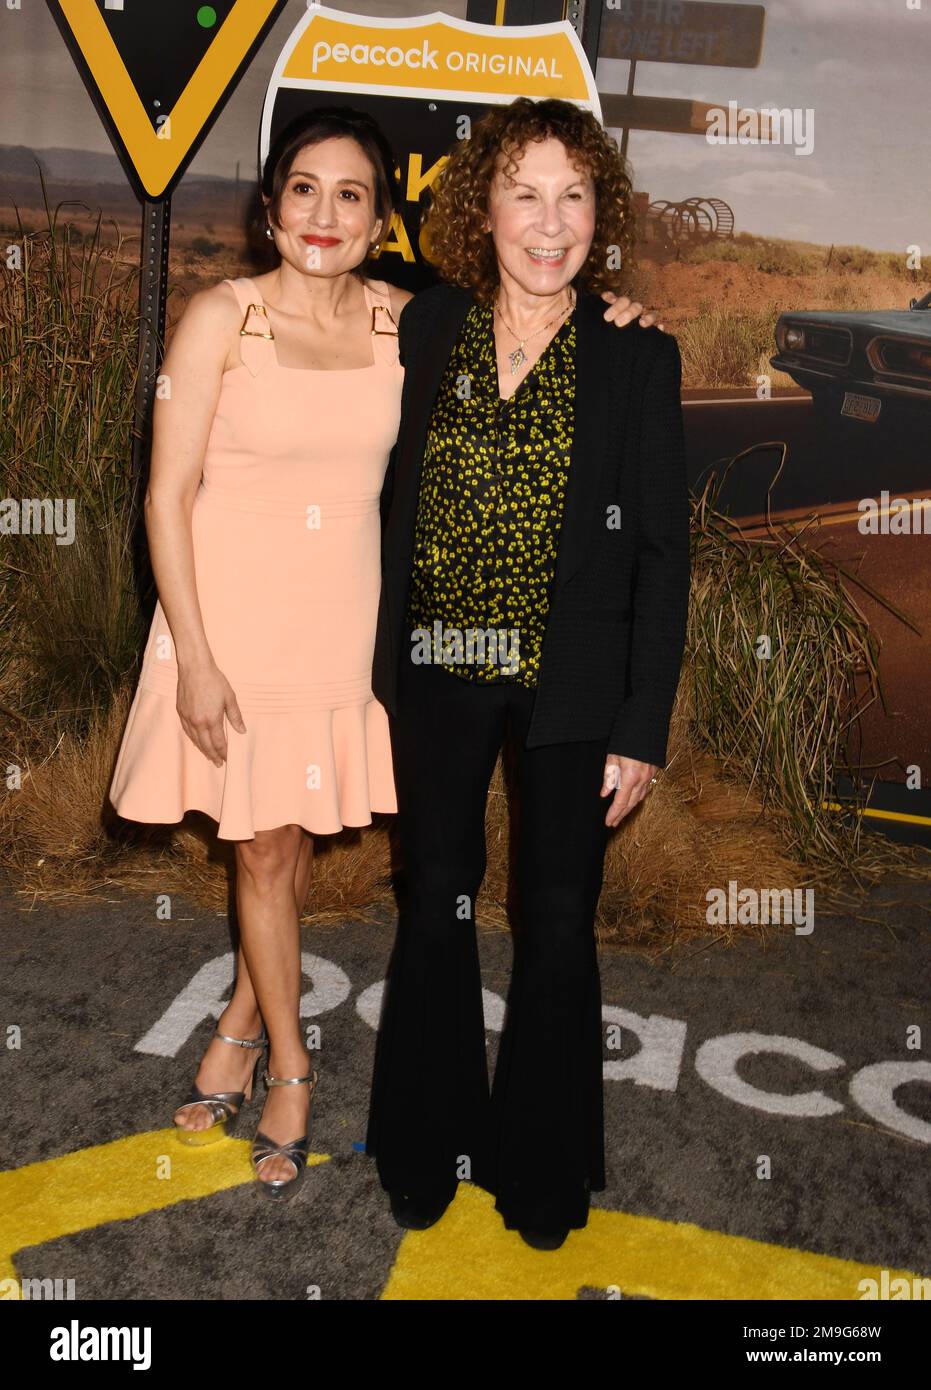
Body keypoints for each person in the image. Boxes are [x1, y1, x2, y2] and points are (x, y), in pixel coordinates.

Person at [108, 104, 658, 1201]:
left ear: (381, 218)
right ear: (271, 205)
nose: (324, 213)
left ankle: (237, 1012)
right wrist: (198, 658)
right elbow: (163, 496)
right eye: (302, 189)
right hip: (234, 625)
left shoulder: (406, 321)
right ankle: (293, 1067)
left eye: (351, 194)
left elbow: (533, 300)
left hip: (345, 633)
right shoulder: (222, 317)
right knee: (263, 849)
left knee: (295, 837)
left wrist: (605, 308)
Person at [365, 97, 691, 1249]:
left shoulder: (638, 352)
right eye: (523, 193)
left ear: (598, 212)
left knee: (556, 917)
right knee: (436, 902)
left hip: (573, 685)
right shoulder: (426, 327)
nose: (548, 224)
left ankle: (542, 1171)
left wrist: (640, 725)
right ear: (483, 207)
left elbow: (663, 552)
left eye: (573, 195)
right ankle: (426, 1142)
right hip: (440, 665)